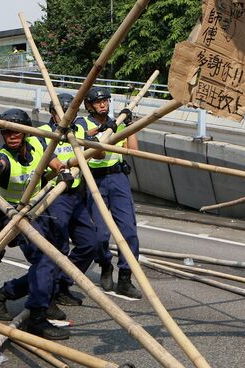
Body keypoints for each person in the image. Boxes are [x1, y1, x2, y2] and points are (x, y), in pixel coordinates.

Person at [0, 108, 74, 340]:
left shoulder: (37, 143)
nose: (12, 136)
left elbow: (52, 160)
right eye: (6, 133)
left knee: (58, 256)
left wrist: (62, 170)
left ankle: (3, 296)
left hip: (41, 209)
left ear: (25, 133)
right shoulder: (3, 158)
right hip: (17, 217)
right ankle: (37, 315)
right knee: (43, 261)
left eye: (17, 132)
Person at [81, 86, 143, 299]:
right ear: (89, 105)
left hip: (118, 179)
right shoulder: (85, 124)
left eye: (105, 100)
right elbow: (97, 155)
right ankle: (105, 263)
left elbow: (133, 151)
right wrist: (103, 131)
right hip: (95, 179)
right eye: (98, 102)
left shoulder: (114, 123)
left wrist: (128, 126)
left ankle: (125, 277)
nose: (103, 104)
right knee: (99, 234)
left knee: (129, 231)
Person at [37, 93, 98, 307]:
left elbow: (97, 155)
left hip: (77, 195)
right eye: (61, 113)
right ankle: (49, 293)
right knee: (58, 246)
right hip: (56, 196)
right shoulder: (42, 133)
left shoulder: (78, 130)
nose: (66, 118)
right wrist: (61, 167)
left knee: (91, 242)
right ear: (52, 113)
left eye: (70, 114)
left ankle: (63, 283)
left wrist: (95, 141)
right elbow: (49, 158)